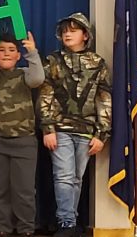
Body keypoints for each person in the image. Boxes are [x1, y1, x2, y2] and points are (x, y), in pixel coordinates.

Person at [39, 13, 111, 237]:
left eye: (73, 30)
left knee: (77, 178)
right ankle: (66, 222)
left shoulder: (98, 63)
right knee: (63, 175)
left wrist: (102, 133)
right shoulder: (53, 61)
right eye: (64, 31)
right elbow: (45, 95)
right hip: (60, 128)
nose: (67, 34)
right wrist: (47, 127)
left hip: (87, 130)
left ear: (85, 35)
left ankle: (71, 221)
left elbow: (104, 98)